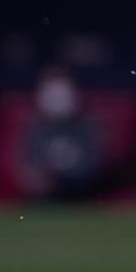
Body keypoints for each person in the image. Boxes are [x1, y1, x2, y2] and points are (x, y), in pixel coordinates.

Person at [17, 65, 103, 202]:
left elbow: (92, 167)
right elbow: (28, 165)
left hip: (81, 197)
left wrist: (59, 181)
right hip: (42, 199)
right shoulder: (36, 130)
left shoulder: (87, 128)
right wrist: (36, 179)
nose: (57, 97)